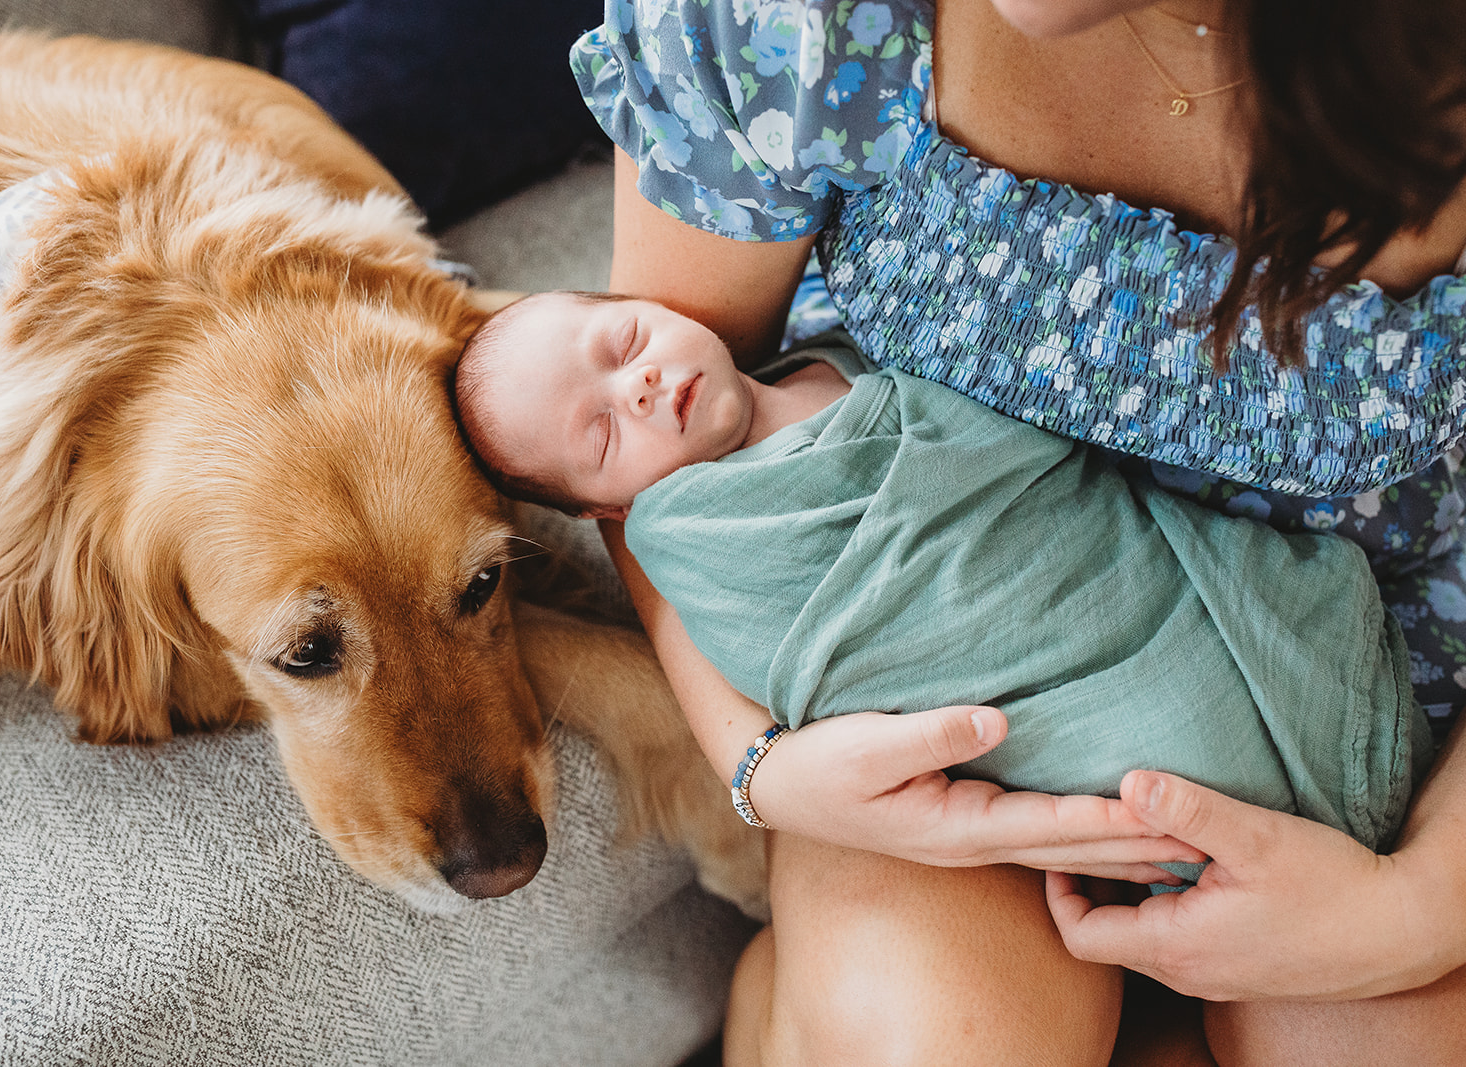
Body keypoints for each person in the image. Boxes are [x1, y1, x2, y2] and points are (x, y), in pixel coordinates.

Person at [563, 0, 1466, 1064]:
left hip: (1374, 709)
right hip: (944, 655)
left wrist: (1413, 905)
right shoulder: (790, 18)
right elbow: (643, 467)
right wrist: (757, 759)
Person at [454, 288, 1427, 871]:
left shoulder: (831, 344)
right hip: (1080, 709)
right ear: (608, 514)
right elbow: (817, 664)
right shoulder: (712, 542)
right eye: (600, 432)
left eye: (623, 341)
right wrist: (770, 772)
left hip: (1162, 587)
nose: (638, 386)